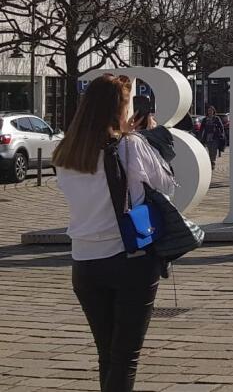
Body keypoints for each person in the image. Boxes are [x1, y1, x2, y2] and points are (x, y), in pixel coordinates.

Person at [54, 74, 177, 392]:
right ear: (118, 110)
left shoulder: (66, 152)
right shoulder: (131, 145)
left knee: (107, 355)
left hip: (84, 262)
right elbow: (166, 185)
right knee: (125, 358)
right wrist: (148, 137)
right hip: (130, 258)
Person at [198, 105, 226, 169]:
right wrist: (200, 136)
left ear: (213, 111)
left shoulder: (216, 118)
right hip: (207, 137)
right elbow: (201, 129)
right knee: (209, 150)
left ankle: (212, 162)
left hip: (215, 137)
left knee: (214, 150)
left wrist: (221, 134)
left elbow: (221, 127)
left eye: (211, 110)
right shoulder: (205, 119)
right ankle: (211, 161)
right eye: (209, 111)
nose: (210, 112)